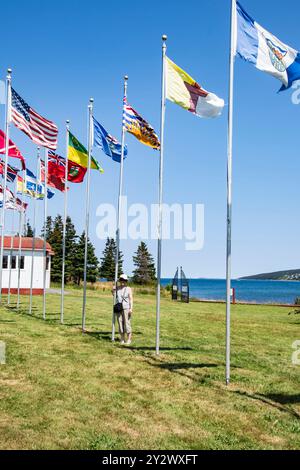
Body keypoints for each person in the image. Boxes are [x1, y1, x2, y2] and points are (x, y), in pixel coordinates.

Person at [112, 274, 133, 345]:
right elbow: (113, 294)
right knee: (120, 323)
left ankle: (129, 339)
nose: (122, 281)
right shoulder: (117, 288)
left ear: (126, 281)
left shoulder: (128, 288)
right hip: (118, 308)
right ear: (119, 281)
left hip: (126, 308)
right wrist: (113, 289)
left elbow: (131, 299)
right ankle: (122, 338)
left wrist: (131, 308)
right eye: (121, 280)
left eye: (124, 280)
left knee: (127, 323)